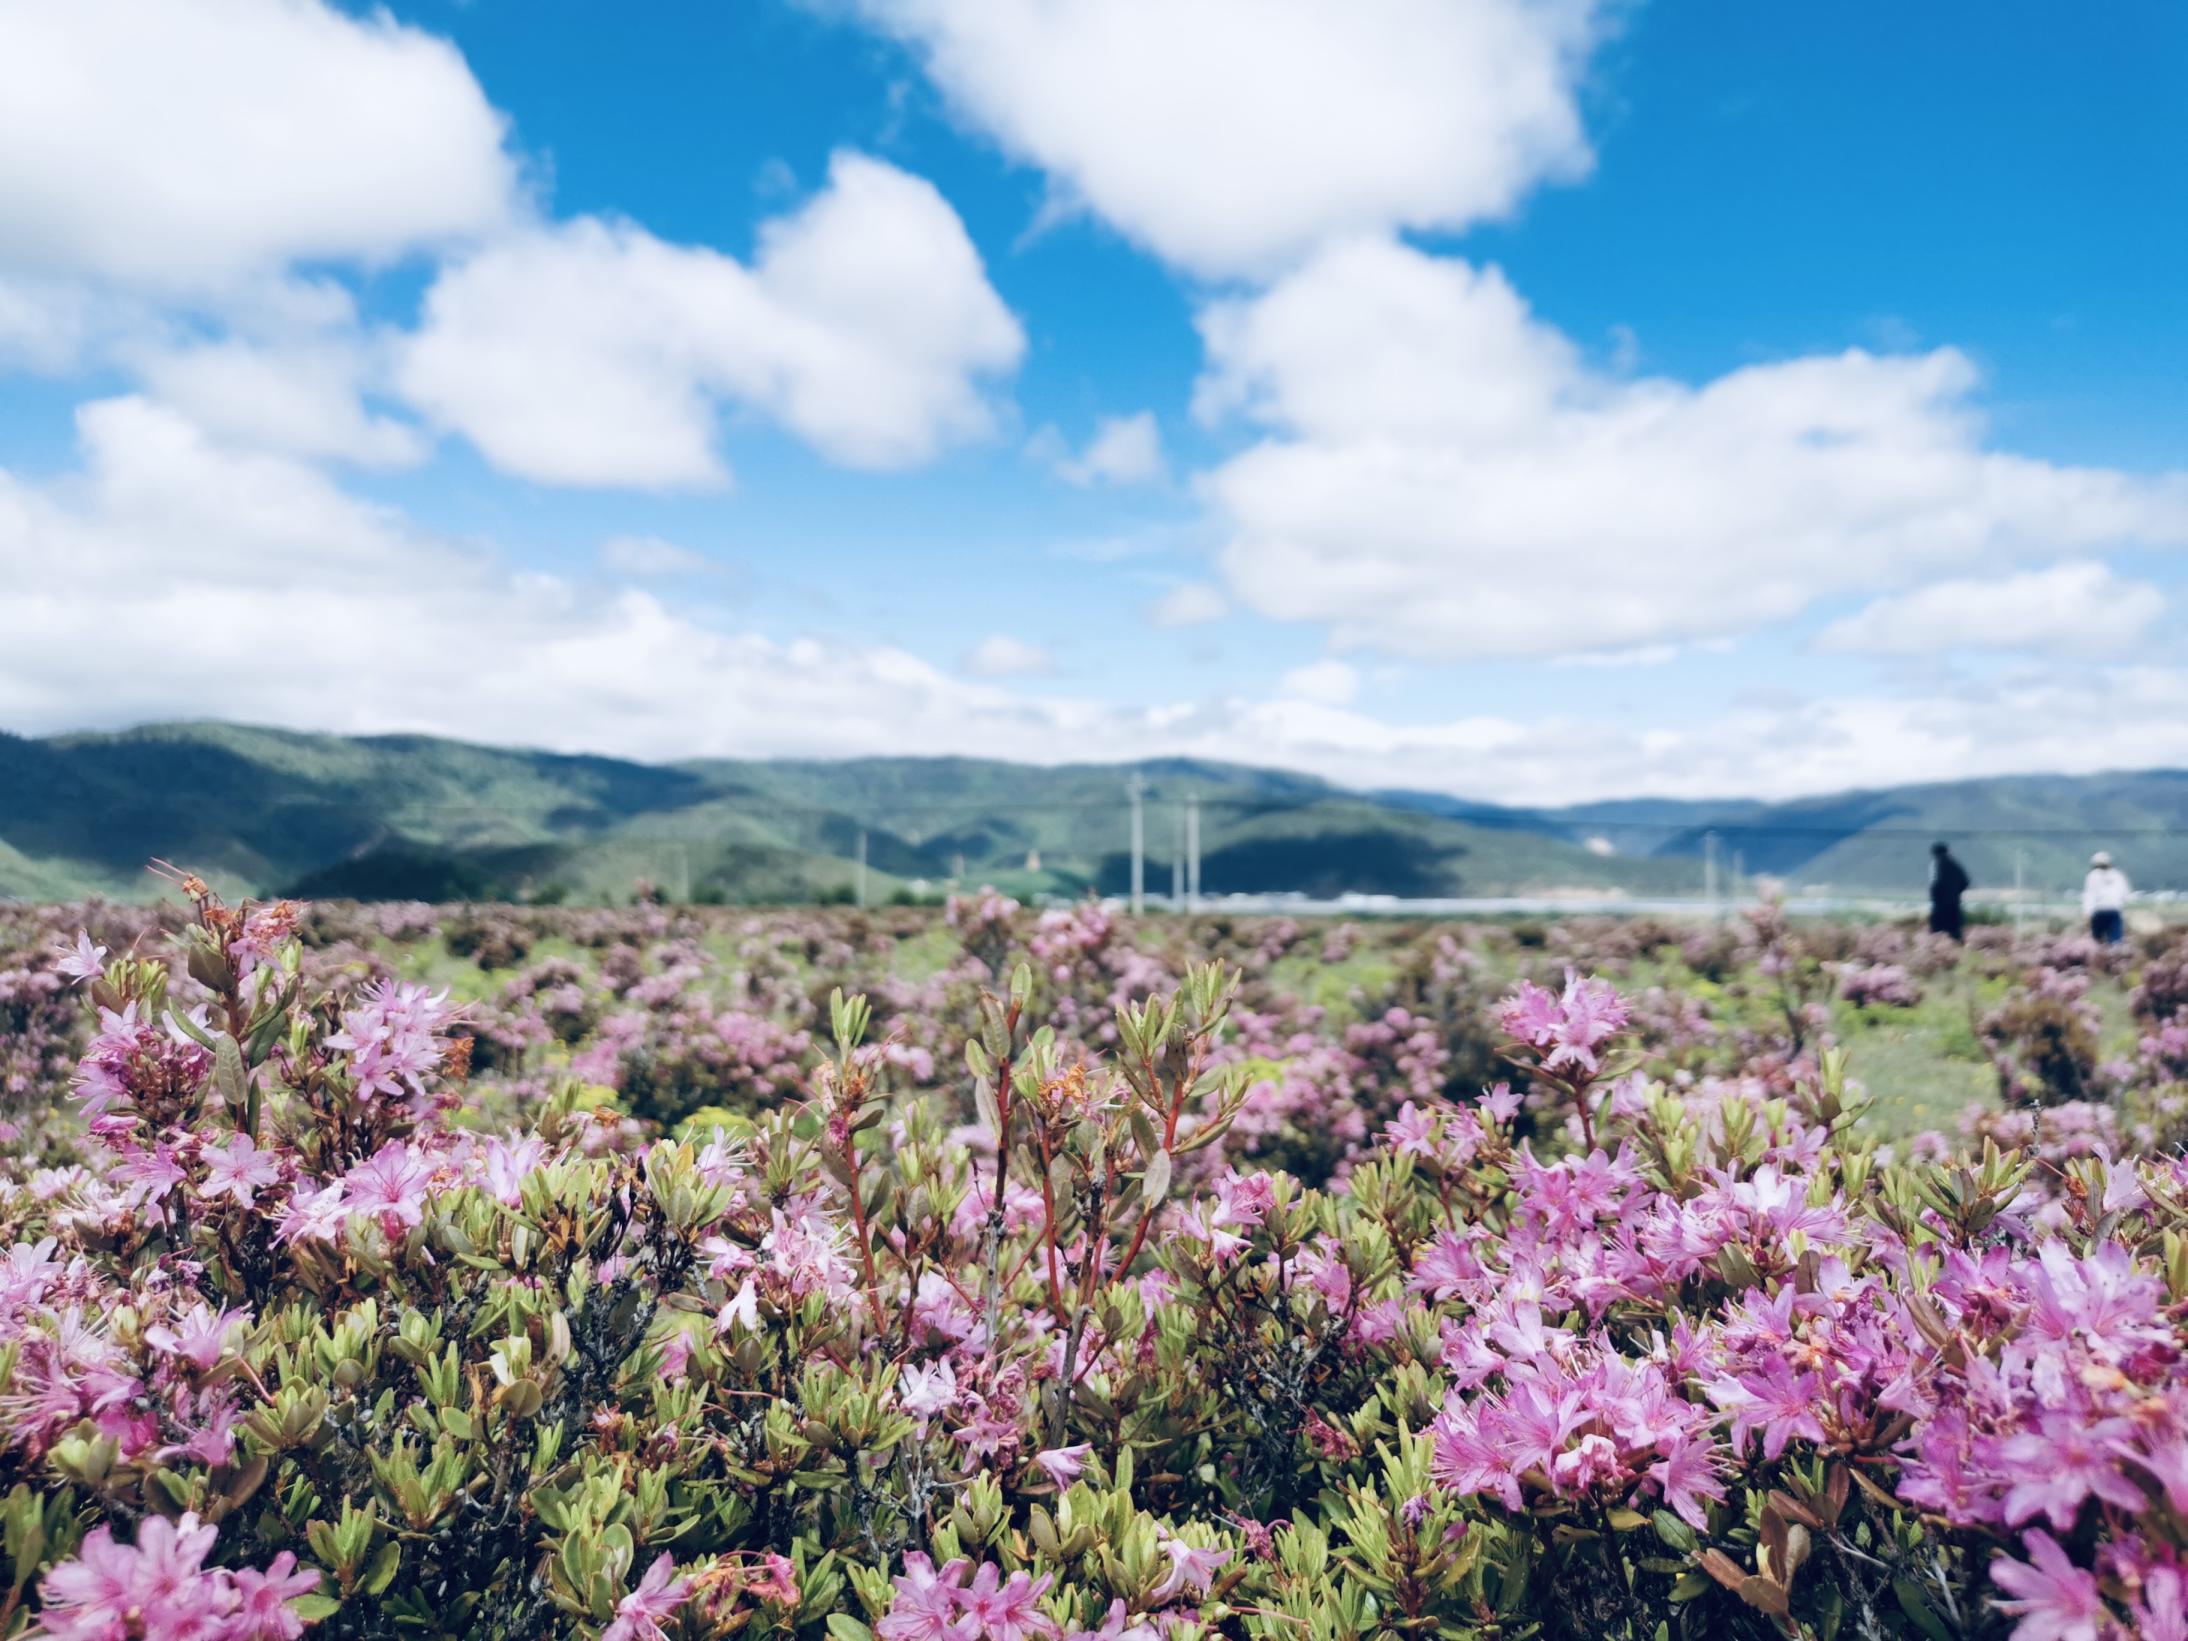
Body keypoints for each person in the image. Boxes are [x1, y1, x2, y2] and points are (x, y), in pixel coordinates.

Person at [2082, 851, 2130, 944]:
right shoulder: (2118, 875)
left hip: (2098, 910)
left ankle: (2098, 955)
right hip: (2114, 909)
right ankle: (2116, 956)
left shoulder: (2092, 875)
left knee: (2097, 940)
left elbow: (2089, 896)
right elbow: (2125, 895)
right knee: (2115, 940)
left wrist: (2087, 914)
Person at [1928, 842, 1969, 941]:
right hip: (1954, 902)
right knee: (1954, 930)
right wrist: (1955, 892)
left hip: (1940, 904)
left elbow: (1935, 883)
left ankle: (1940, 949)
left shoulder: (1936, 864)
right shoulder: (1955, 864)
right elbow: (1965, 881)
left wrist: (1936, 896)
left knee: (1937, 930)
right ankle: (1958, 948)